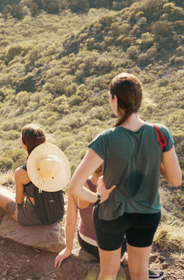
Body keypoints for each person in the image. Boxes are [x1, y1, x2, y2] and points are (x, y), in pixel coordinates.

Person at [69, 73, 182, 280]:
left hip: (111, 214)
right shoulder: (160, 133)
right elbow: (175, 180)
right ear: (139, 100)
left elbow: (74, 187)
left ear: (114, 99)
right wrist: (153, 157)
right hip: (147, 213)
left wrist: (98, 197)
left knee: (108, 273)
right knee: (140, 273)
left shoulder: (106, 139)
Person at [55, 166, 164, 280]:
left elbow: (70, 222)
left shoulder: (77, 186)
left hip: (86, 243)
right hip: (111, 246)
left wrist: (68, 249)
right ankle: (140, 271)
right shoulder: (119, 188)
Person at [0, 124, 70, 226]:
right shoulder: (54, 164)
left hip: (31, 218)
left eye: (22, 138)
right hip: (55, 214)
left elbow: (19, 201)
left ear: (26, 143)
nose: (20, 139)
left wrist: (25, 193)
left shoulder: (22, 172)